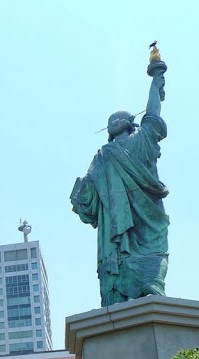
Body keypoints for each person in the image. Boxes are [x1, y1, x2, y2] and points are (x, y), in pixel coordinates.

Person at [71, 52, 170, 307]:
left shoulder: (103, 156)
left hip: (127, 223)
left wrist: (82, 191)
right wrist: (157, 78)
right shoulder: (133, 143)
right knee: (155, 250)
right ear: (131, 124)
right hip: (148, 216)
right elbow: (153, 110)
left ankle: (146, 286)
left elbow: (87, 200)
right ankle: (152, 284)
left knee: (149, 251)